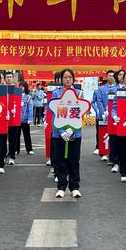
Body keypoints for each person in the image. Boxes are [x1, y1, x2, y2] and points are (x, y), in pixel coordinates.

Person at [51, 69, 83, 198]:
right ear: (61, 79)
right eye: (65, 77)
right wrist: (61, 131)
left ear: (73, 79)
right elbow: (53, 113)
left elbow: (82, 113)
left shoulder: (79, 94)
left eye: (70, 77)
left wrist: (72, 129)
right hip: (59, 134)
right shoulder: (55, 94)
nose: (68, 79)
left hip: (75, 133)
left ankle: (74, 186)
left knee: (74, 160)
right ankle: (61, 187)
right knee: (60, 160)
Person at [111, 71, 126, 183]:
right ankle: (124, 172)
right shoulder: (118, 92)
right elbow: (114, 107)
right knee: (123, 150)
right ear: (123, 80)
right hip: (122, 126)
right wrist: (114, 116)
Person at [96, 70, 116, 161]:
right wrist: (102, 112)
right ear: (106, 77)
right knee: (103, 133)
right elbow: (99, 101)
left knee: (113, 134)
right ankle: (103, 153)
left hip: (114, 115)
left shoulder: (118, 88)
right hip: (104, 114)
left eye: (112, 76)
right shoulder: (101, 89)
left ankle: (112, 153)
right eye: (109, 76)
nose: (111, 77)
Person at [108, 69, 125, 169]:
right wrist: (113, 116)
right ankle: (115, 162)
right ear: (116, 77)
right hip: (115, 119)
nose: (122, 77)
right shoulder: (113, 90)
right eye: (120, 75)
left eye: (124, 75)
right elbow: (111, 106)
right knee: (114, 140)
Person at [20, 81, 34, 155]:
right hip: (17, 119)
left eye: (23, 86)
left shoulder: (28, 97)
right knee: (16, 136)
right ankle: (16, 149)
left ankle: (29, 149)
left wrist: (29, 118)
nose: (21, 88)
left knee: (27, 135)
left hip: (25, 119)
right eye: (20, 86)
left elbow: (30, 108)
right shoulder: (16, 96)